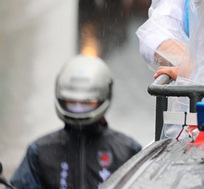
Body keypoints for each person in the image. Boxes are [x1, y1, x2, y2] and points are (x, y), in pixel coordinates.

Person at [11, 55, 141, 188]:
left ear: (103, 97)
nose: (78, 108)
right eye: (72, 102)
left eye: (87, 102)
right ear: (61, 98)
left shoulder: (128, 151)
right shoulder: (39, 152)